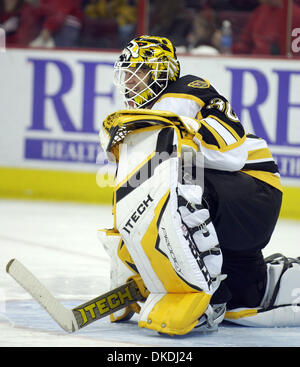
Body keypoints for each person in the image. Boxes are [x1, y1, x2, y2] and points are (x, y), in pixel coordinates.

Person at [98, 35, 300, 335]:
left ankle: (208, 294)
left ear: (159, 71)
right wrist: (136, 266)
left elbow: (232, 153)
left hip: (254, 192)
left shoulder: (188, 91)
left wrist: (181, 130)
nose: (129, 80)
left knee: (179, 178)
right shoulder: (143, 121)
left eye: (136, 71)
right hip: (228, 213)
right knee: (245, 303)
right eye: (125, 73)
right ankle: (266, 281)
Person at [232, 0, 300, 55]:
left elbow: (294, 54)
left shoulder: (294, 15)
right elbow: (245, 45)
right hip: (254, 61)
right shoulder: (259, 11)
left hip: (277, 64)